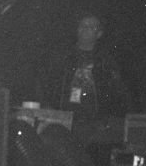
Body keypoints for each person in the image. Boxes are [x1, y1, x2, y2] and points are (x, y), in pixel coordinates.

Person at [40, 12, 131, 147]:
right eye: (82, 25)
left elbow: (118, 91)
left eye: (90, 27)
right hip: (65, 119)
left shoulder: (106, 61)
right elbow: (46, 84)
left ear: (99, 34)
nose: (85, 29)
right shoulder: (62, 57)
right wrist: (48, 107)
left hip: (95, 124)